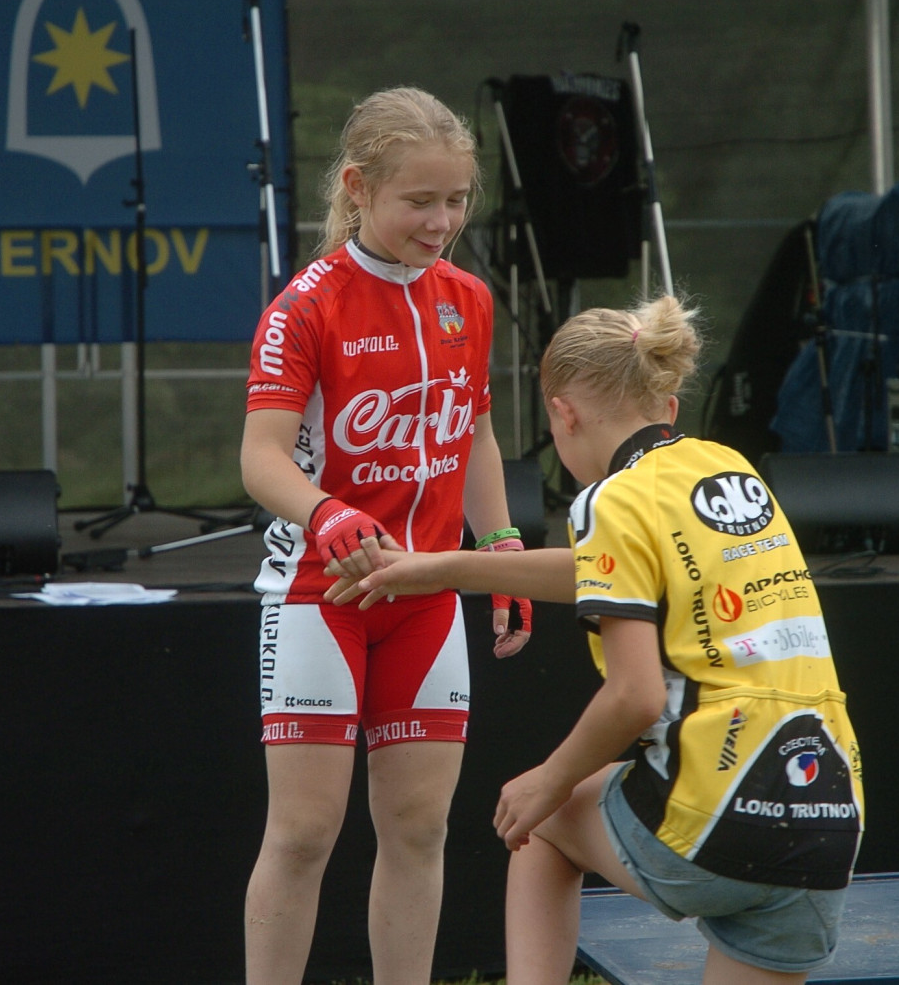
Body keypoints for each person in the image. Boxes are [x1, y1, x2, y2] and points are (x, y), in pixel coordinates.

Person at [329, 295, 865, 985]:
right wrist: (442, 569)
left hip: (716, 806)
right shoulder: (726, 466)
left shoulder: (611, 497)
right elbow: (608, 574)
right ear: (666, 404)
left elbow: (636, 696)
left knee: (542, 823)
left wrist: (547, 782)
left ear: (564, 414)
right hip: (829, 819)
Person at [239, 85, 533, 985]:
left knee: (418, 826)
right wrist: (328, 512)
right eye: (420, 201)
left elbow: (472, 432)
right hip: (320, 595)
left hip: (427, 596)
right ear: (359, 188)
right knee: (303, 832)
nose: (441, 222)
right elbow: (259, 457)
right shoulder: (306, 307)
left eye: (457, 200)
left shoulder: (469, 299)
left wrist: (503, 547)